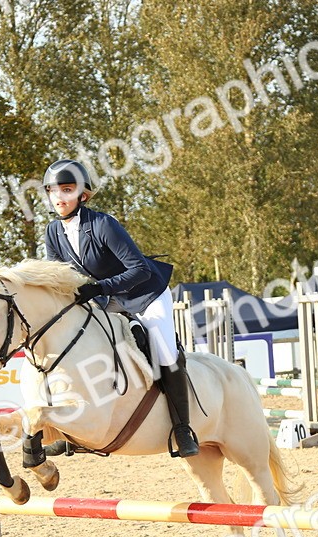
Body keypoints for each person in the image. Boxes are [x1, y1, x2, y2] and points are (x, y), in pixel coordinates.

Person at [41, 159, 199, 457]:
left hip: (145, 293)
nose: (59, 197)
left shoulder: (102, 224)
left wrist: (99, 288)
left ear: (82, 195)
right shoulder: (52, 232)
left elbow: (138, 269)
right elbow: (57, 275)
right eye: (54, 191)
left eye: (67, 189)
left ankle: (182, 428)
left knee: (164, 350)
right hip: (108, 300)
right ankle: (74, 429)